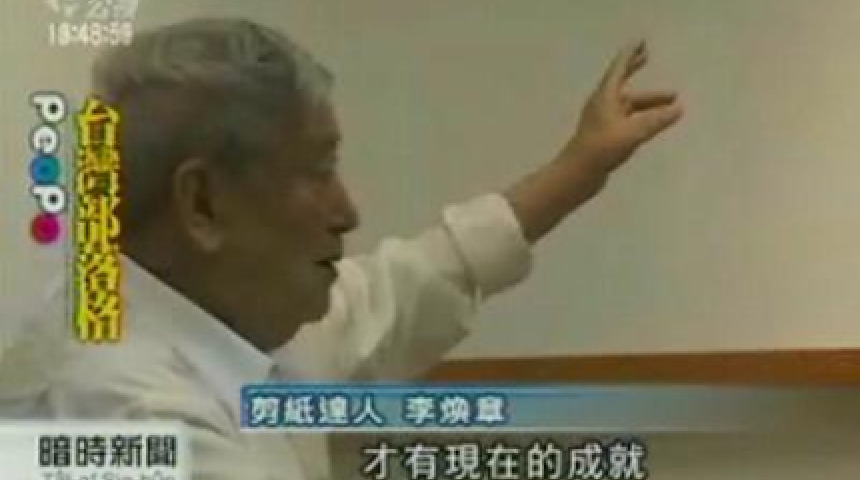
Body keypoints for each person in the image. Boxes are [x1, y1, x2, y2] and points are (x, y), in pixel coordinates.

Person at [0, 18, 682, 480]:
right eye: (317, 170)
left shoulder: (226, 318)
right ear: (202, 204)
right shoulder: (123, 415)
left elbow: (403, 286)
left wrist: (577, 168)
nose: (348, 211)